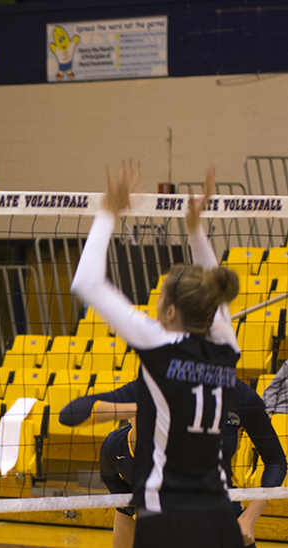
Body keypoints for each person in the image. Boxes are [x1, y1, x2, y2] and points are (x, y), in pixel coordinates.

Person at [70, 162, 244, 548]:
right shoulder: (225, 347)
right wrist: (196, 229)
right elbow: (215, 299)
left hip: (168, 516)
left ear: (169, 313)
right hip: (218, 513)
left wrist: (108, 211)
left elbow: (86, 282)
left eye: (159, 301)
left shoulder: (160, 347)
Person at [60, 378, 287, 547]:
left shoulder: (239, 394)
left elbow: (276, 460)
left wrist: (249, 518)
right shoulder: (150, 386)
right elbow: (69, 414)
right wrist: (139, 407)